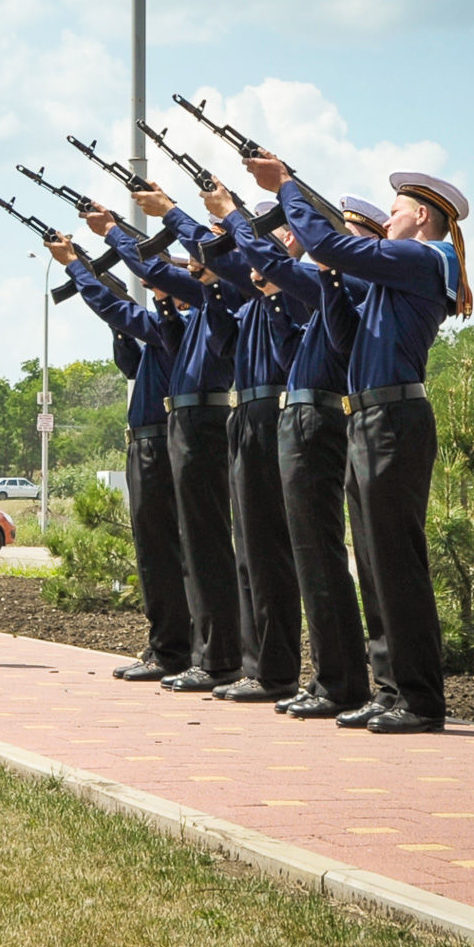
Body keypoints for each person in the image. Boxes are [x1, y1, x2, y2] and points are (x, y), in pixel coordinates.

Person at [248, 157, 471, 735]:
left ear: (420, 216)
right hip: (370, 418)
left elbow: (328, 240)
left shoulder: (422, 258)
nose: (389, 214)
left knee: (395, 564)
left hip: (396, 418)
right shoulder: (396, 275)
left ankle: (420, 700)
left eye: (395, 208)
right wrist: (325, 274)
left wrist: (289, 187)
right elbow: (346, 335)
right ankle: (390, 688)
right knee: (372, 564)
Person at [220, 193, 384, 719]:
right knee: (310, 555)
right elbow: (290, 351)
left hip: (319, 422)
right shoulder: (328, 290)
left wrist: (230, 213)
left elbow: (271, 263)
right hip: (300, 417)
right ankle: (329, 677)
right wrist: (271, 298)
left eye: (349, 238)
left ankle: (342, 681)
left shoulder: (356, 281)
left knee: (319, 554)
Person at [97, 193, 243, 693]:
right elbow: (133, 356)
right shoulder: (187, 319)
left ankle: (212, 652)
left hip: (198, 427)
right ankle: (178, 648)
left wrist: (107, 240)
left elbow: (137, 305)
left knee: (203, 547)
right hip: (173, 430)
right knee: (167, 548)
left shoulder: (207, 309)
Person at [44, 234, 194, 682]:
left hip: (163, 442)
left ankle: (173, 647)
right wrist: (117, 321)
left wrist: (83, 274)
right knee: (153, 552)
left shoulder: (183, 327)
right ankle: (164, 642)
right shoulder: (161, 330)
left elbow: (131, 319)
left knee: (165, 551)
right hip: (144, 441)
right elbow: (130, 364)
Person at [197, 191, 306, 704]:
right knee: (249, 554)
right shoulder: (255, 299)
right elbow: (223, 342)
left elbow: (288, 348)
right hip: (245, 416)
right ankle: (254, 664)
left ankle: (277, 669)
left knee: (269, 552)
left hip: (271, 413)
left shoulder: (298, 289)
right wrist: (215, 288)